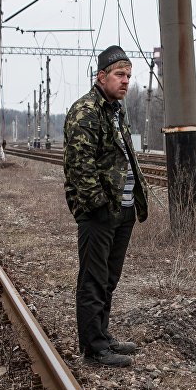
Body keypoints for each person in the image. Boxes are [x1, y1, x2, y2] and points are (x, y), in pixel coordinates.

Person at [63, 45, 149, 368]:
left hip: (122, 209)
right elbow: (79, 165)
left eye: (128, 75)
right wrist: (99, 206)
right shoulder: (85, 111)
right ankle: (94, 348)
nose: (126, 81)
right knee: (93, 279)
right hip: (100, 211)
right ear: (101, 77)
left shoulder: (117, 110)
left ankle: (102, 333)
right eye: (119, 74)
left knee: (109, 278)